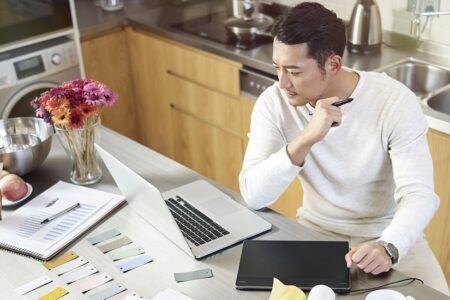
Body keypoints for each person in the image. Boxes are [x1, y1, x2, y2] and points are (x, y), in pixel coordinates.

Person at [239, 2, 449, 295]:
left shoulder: (394, 101)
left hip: (390, 237)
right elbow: (253, 194)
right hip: (317, 234)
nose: (282, 82)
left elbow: (420, 195)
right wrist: (306, 139)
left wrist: (389, 246)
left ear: (333, 65)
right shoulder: (274, 103)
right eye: (277, 67)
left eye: (294, 71)